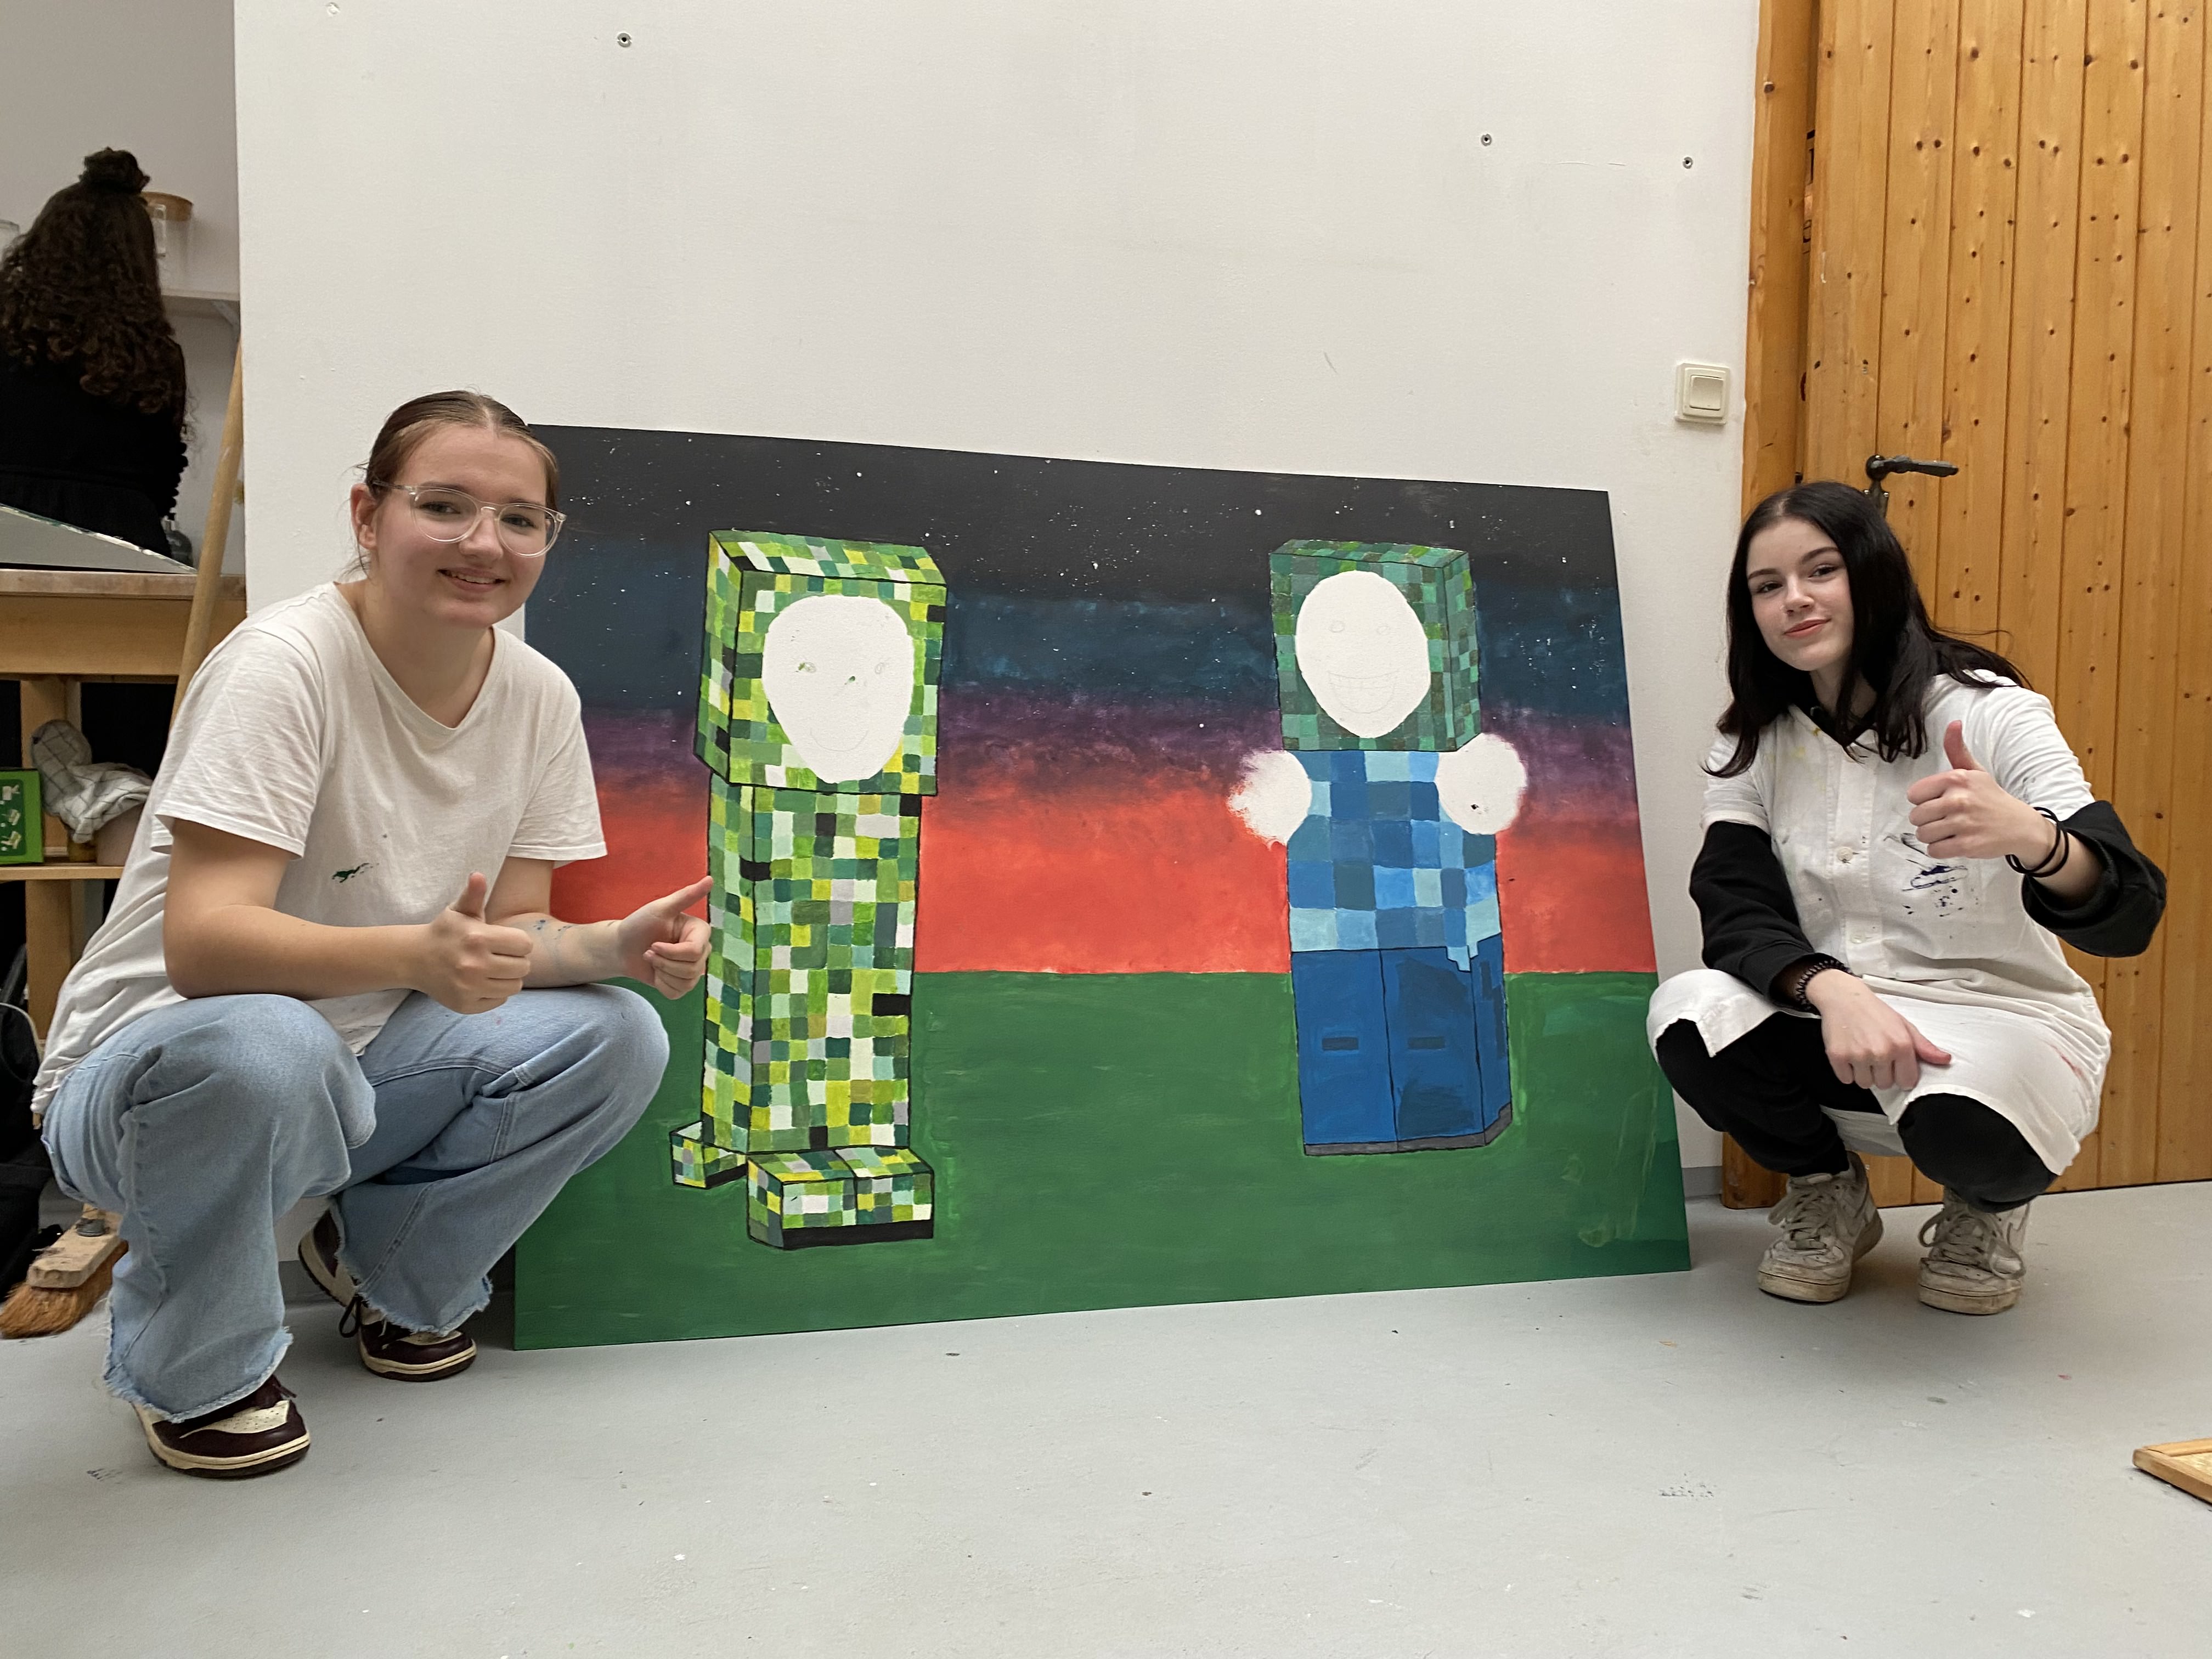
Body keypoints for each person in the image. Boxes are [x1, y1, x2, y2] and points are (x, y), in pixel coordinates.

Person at [33, 390, 710, 1478]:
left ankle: (387, 1271)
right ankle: (196, 1369)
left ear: (547, 539)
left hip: (354, 1069)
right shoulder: (283, 665)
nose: (483, 543)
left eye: (519, 519)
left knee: (616, 1034)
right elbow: (205, 946)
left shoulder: (538, 697)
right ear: (368, 513)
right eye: (443, 506)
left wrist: (610, 950)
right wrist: (410, 957)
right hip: (155, 1078)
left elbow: (507, 934)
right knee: (269, 1042)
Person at [1649, 482, 2164, 1316]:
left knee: (1965, 1126)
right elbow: (1734, 905)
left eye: (1822, 570)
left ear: (1875, 573)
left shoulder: (1992, 713)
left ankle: (1986, 1211)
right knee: (1689, 1015)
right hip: (1839, 1014)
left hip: (2002, 1019)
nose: (1795, 599)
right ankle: (1828, 1192)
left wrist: (2034, 838)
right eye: (1768, 586)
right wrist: (1832, 988)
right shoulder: (1751, 740)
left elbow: (2131, 910)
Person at [0, 148, 187, 554]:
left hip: (8, 534)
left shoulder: (8, 335)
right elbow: (162, 484)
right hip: (121, 545)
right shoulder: (155, 356)